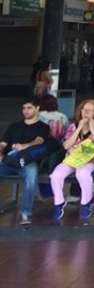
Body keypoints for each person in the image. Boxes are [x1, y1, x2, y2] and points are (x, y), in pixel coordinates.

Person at [50, 99, 94, 224]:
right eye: (84, 109)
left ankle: (86, 202)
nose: (86, 112)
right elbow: (66, 145)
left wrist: (92, 129)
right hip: (71, 159)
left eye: (89, 110)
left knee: (82, 174)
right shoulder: (72, 126)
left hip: (89, 161)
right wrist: (79, 127)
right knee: (55, 175)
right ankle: (58, 203)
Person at [0, 97, 51, 226]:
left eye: (29, 108)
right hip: (8, 161)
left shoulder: (42, 126)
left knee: (31, 173)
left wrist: (24, 146)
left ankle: (25, 212)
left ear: (37, 108)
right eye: (24, 108)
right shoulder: (14, 126)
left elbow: (39, 140)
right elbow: (3, 143)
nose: (25, 111)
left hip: (27, 162)